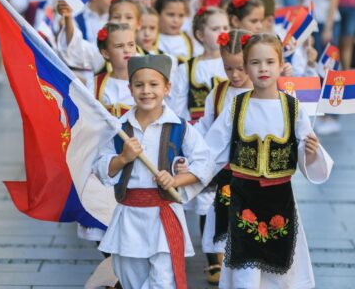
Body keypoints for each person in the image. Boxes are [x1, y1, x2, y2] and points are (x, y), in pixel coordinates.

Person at [204, 33, 333, 288]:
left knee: (280, 270)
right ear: (247, 66)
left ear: (280, 64)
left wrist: (310, 151)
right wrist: (184, 174)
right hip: (244, 199)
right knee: (246, 270)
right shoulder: (236, 106)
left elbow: (310, 155)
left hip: (280, 200)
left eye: (269, 62)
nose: (263, 68)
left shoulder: (293, 108)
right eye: (255, 63)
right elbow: (210, 150)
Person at [94, 54, 214, 288]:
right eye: (139, 85)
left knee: (163, 282)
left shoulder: (180, 127)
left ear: (167, 87)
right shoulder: (118, 128)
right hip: (128, 217)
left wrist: (177, 180)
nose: (146, 91)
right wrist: (122, 158)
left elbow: (205, 163)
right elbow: (100, 167)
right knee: (131, 279)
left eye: (154, 84)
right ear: (130, 88)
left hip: (164, 215)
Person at [195, 30, 253, 284]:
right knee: (218, 221)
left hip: (254, 176)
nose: (235, 75)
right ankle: (218, 264)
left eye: (241, 68)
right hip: (224, 172)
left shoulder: (267, 93)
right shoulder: (218, 93)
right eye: (228, 68)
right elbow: (204, 128)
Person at [301, 0, 345, 135]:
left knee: (328, 67)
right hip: (311, 23)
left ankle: (333, 115)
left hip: (326, 22)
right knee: (313, 66)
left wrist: (328, 26)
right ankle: (320, 112)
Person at [169, 6, 229, 122]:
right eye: (215, 29)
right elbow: (177, 109)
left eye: (226, 28)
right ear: (200, 35)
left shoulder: (236, 65)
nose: (223, 33)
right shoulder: (186, 69)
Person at [154, 0, 203, 64]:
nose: (176, 20)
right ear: (158, 14)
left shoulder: (190, 40)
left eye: (181, 16)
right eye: (171, 15)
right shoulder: (151, 39)